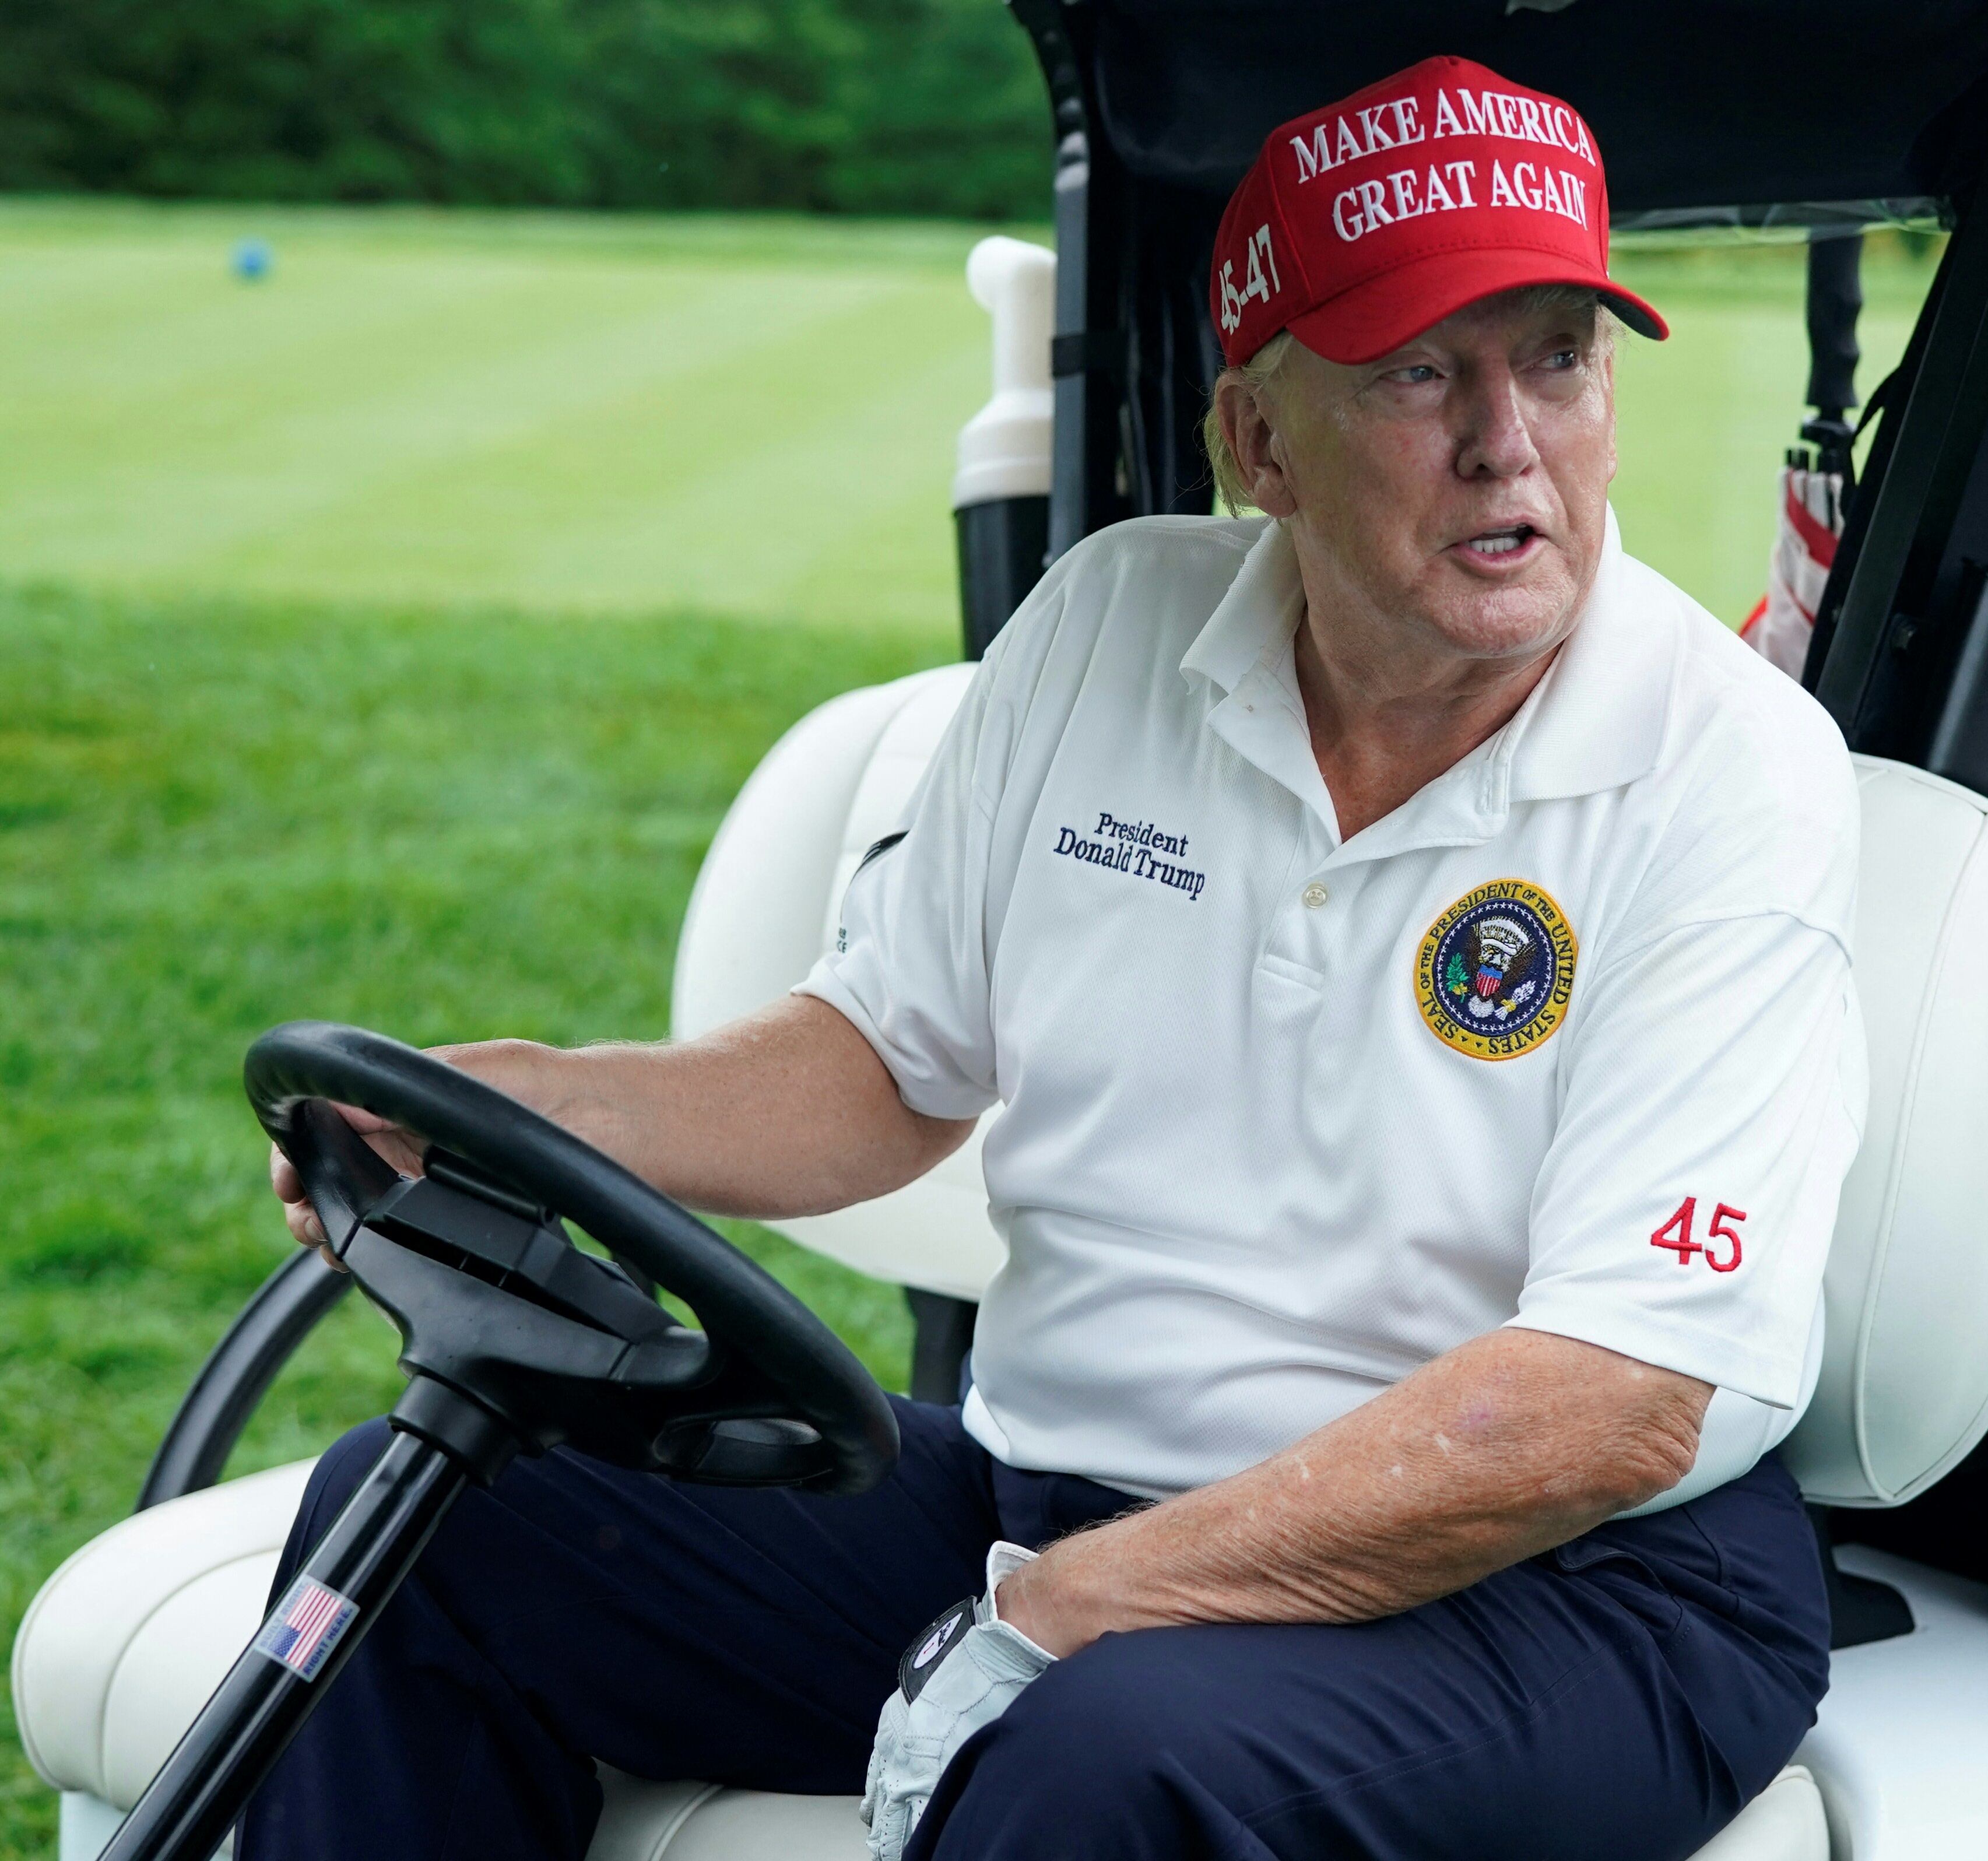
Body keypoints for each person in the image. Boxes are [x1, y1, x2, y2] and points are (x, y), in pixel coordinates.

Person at [248, 53, 1864, 1861]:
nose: (1510, 442)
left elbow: (1613, 1399)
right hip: (1066, 1503)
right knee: (427, 1531)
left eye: (1558, 356)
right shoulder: (1109, 625)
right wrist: (514, 1107)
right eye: (1419, 372)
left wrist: (1053, 1619)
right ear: (1260, 443)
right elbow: (880, 1067)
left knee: (1105, 1762)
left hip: (1566, 1585)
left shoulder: (1727, 765)